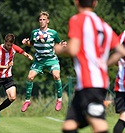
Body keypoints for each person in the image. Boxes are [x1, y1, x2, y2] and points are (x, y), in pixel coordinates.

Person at [54, 0, 125, 133]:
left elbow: (73, 49)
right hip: (93, 84)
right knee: (69, 126)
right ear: (95, 3)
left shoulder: (77, 19)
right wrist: (104, 65)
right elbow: (121, 51)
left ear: (76, 2)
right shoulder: (103, 24)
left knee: (99, 126)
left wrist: (59, 49)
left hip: (90, 84)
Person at [21, 11, 67, 112]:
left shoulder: (53, 33)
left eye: (44, 20)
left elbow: (60, 43)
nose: (42, 21)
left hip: (51, 59)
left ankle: (59, 99)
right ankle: (27, 100)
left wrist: (63, 44)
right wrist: (26, 43)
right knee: (30, 77)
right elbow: (31, 43)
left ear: (48, 21)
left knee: (56, 76)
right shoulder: (34, 32)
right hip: (39, 61)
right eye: (40, 20)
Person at [0, 33, 33, 124]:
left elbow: (22, 51)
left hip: (8, 77)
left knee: (12, 97)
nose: (9, 47)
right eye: (8, 45)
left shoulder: (13, 47)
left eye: (11, 45)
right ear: (4, 42)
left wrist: (28, 55)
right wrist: (6, 67)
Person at [113, 30, 125, 133]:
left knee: (124, 117)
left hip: (120, 85)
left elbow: (116, 61)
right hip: (123, 83)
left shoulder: (120, 37)